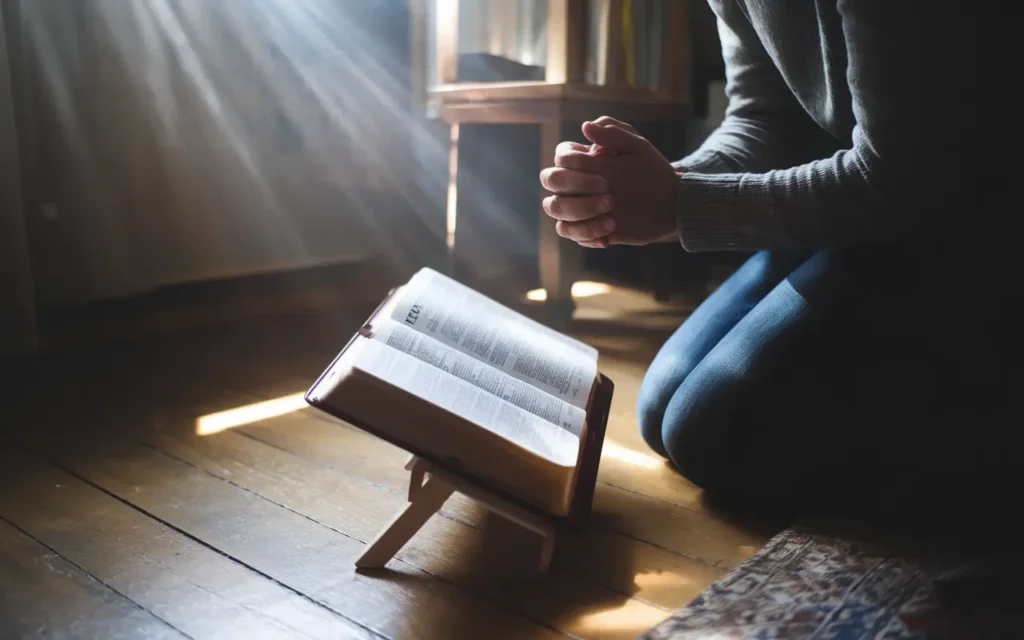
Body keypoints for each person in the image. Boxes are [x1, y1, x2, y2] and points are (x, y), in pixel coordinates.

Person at [539, 2, 999, 522]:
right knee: (661, 409)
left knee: (709, 436)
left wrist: (677, 206)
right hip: (867, 211)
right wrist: (662, 184)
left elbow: (900, 176)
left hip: (970, 216)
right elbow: (762, 119)